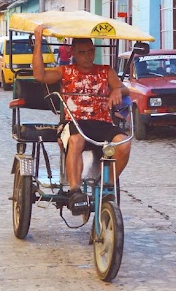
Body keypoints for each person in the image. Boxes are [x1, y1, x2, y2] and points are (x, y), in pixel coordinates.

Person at [31, 25, 131, 214]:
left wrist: (117, 90)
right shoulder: (65, 71)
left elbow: (123, 88)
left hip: (102, 123)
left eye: (91, 51)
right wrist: (38, 42)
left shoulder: (105, 71)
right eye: (82, 52)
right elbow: (40, 75)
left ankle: (106, 186)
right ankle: (75, 191)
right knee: (76, 140)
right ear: (74, 53)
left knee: (124, 144)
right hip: (74, 123)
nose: (88, 56)